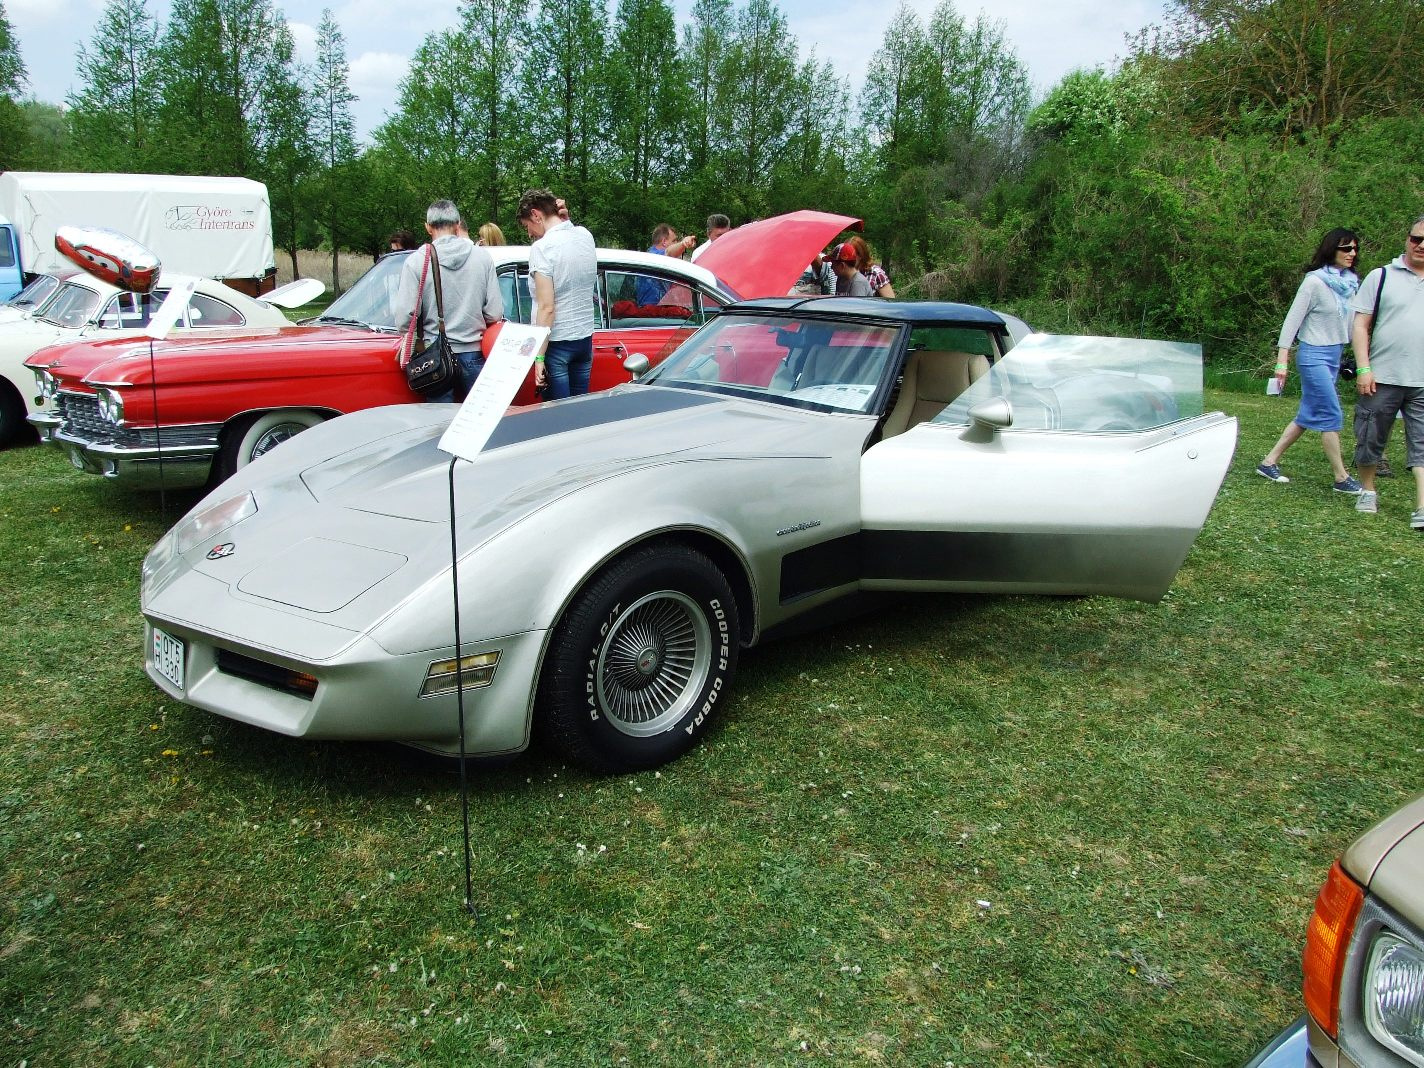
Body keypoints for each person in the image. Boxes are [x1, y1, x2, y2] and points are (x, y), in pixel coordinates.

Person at [1255, 228, 1364, 493]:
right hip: (1312, 354)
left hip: (1334, 354)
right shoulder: (1314, 282)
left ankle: (1269, 462)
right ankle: (1341, 477)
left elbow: (1353, 325)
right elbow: (1291, 322)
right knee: (1331, 413)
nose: (1352, 254)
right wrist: (1282, 361)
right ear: (1331, 250)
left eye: (1354, 249)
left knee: (1309, 414)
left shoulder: (1350, 283)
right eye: (1346, 248)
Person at [1349, 214, 1424, 528]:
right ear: (1407, 239)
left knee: (1421, 443)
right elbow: (1360, 325)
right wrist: (1364, 368)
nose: (1420, 246)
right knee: (1370, 438)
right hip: (1382, 377)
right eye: (1416, 238)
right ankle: (1367, 489)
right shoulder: (1381, 277)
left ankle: (1422, 507)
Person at [396, 199, 502, 402]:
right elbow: (494, 312)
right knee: (479, 423)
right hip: (474, 352)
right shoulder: (483, 258)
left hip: (434, 359)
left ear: (428, 227)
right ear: (457, 224)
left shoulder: (416, 261)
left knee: (440, 425)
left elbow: (404, 319)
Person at [516, 188, 597, 399]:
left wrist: (539, 358)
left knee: (557, 419)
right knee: (577, 413)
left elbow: (547, 307)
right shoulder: (585, 236)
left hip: (556, 343)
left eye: (528, 226)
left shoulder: (542, 248)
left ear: (536, 215)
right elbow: (569, 236)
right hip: (584, 339)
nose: (529, 234)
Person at [636, 224, 698, 306]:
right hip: (651, 312)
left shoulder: (651, 256)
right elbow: (669, 252)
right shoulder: (656, 256)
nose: (676, 243)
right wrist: (683, 244)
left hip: (652, 311)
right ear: (664, 242)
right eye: (674, 241)